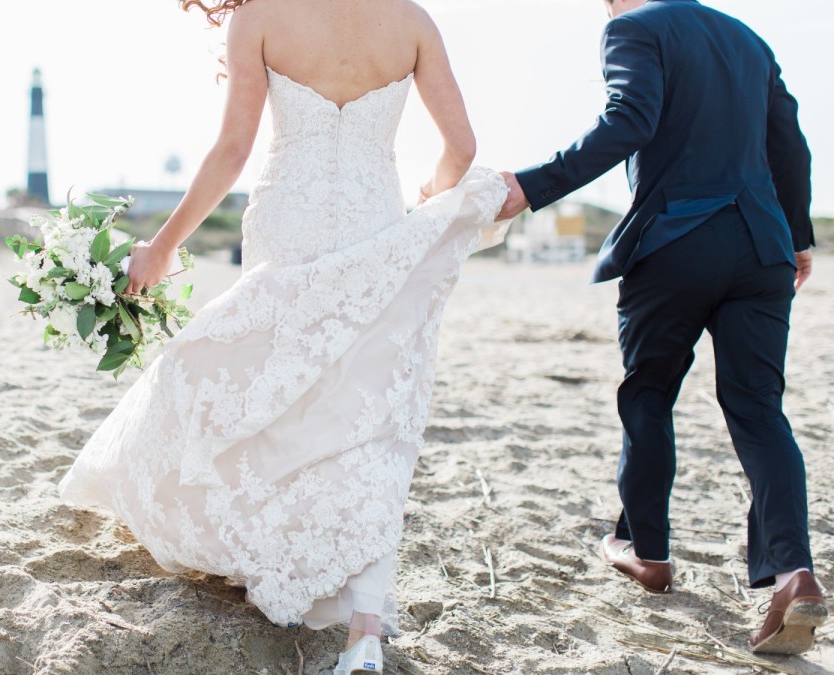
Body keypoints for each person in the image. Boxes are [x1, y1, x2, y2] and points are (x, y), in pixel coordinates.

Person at [57, 0, 509, 672]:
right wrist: (432, 199)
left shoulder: (261, 16)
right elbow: (463, 148)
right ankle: (363, 636)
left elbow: (233, 149)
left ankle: (262, 549)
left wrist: (162, 246)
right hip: (371, 222)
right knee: (366, 407)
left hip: (288, 222)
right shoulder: (412, 22)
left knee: (256, 376)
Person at [497, 0, 823, 655]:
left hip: (675, 244)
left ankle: (647, 551)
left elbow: (630, 120)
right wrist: (798, 234)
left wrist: (531, 186)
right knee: (760, 409)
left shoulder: (632, 28)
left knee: (649, 394)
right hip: (763, 246)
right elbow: (790, 141)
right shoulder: (748, 39)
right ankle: (795, 571)